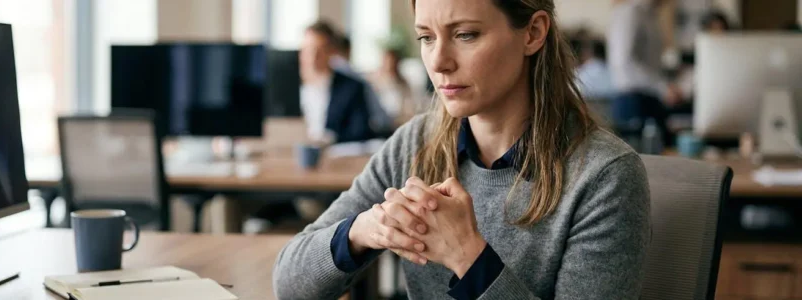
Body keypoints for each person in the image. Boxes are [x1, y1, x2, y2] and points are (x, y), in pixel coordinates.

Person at [273, 0, 651, 298]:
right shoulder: (415, 143)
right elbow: (289, 284)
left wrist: (468, 257)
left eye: (466, 34)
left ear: (533, 33)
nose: (438, 62)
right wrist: (364, 229)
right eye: (426, 37)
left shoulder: (606, 175)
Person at [608, 0, 680, 145]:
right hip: (633, 102)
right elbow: (624, 61)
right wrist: (663, 87)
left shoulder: (651, 14)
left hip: (650, 98)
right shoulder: (630, 12)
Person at [299, 21, 375, 144]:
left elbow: (360, 132)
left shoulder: (351, 88)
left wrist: (330, 139)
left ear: (332, 52)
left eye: (320, 50)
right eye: (307, 50)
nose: (312, 57)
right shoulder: (286, 87)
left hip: (336, 157)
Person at [369, 49, 416, 126]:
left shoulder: (403, 83)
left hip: (399, 121)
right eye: (387, 61)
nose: (389, 64)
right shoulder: (374, 81)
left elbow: (409, 106)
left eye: (392, 61)